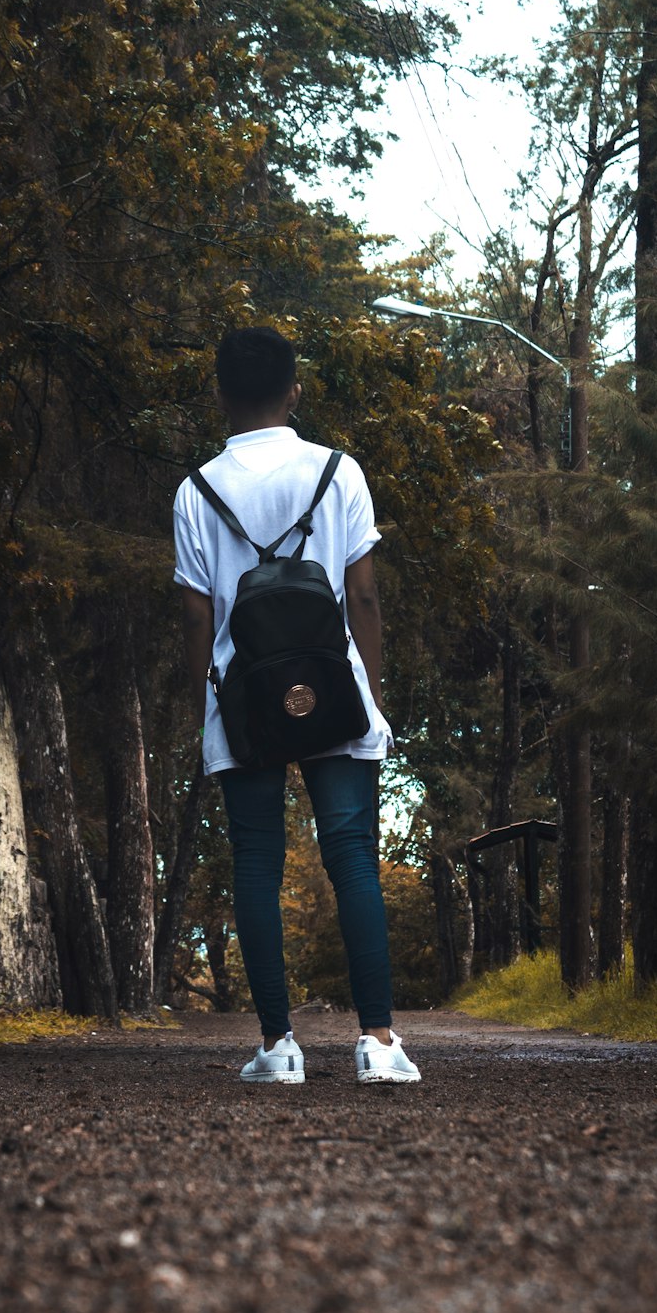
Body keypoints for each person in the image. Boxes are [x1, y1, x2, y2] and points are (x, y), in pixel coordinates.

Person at [172, 326, 420, 1085]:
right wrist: (370, 693)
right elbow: (366, 594)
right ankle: (378, 1044)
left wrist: (208, 697)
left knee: (256, 864)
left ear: (219, 395)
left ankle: (279, 1048)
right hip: (335, 689)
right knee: (352, 860)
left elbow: (194, 617)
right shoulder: (340, 473)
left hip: (242, 697)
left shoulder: (194, 491)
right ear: (296, 390)